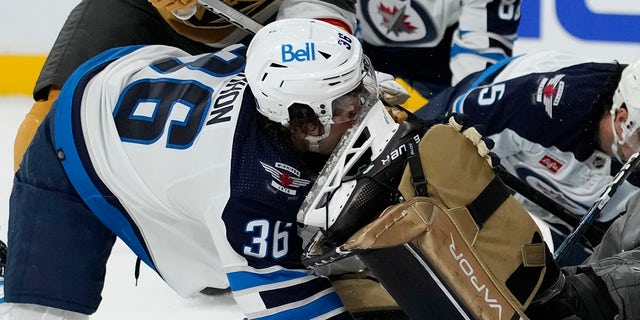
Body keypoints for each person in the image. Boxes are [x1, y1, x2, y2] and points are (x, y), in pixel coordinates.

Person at [2, 18, 379, 319]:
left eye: (358, 86)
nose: (360, 105)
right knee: (39, 311)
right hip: (79, 137)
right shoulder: (242, 191)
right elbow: (290, 307)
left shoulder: (284, 95)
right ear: (303, 122)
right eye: (345, 102)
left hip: (137, 69)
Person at [13, 0, 357, 172]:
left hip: (271, 27)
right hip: (144, 11)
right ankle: (35, 233)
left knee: (306, 105)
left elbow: (320, 30)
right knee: (63, 106)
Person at [414, 51, 640, 263]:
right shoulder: (549, 105)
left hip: (558, 195)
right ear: (623, 120)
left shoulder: (628, 145)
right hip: (494, 114)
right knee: (408, 173)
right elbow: (437, 133)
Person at [354, 0, 521, 109]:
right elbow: (333, 23)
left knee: (470, 119)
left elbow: (482, 51)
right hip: (361, 49)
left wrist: (460, 113)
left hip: (444, 64)